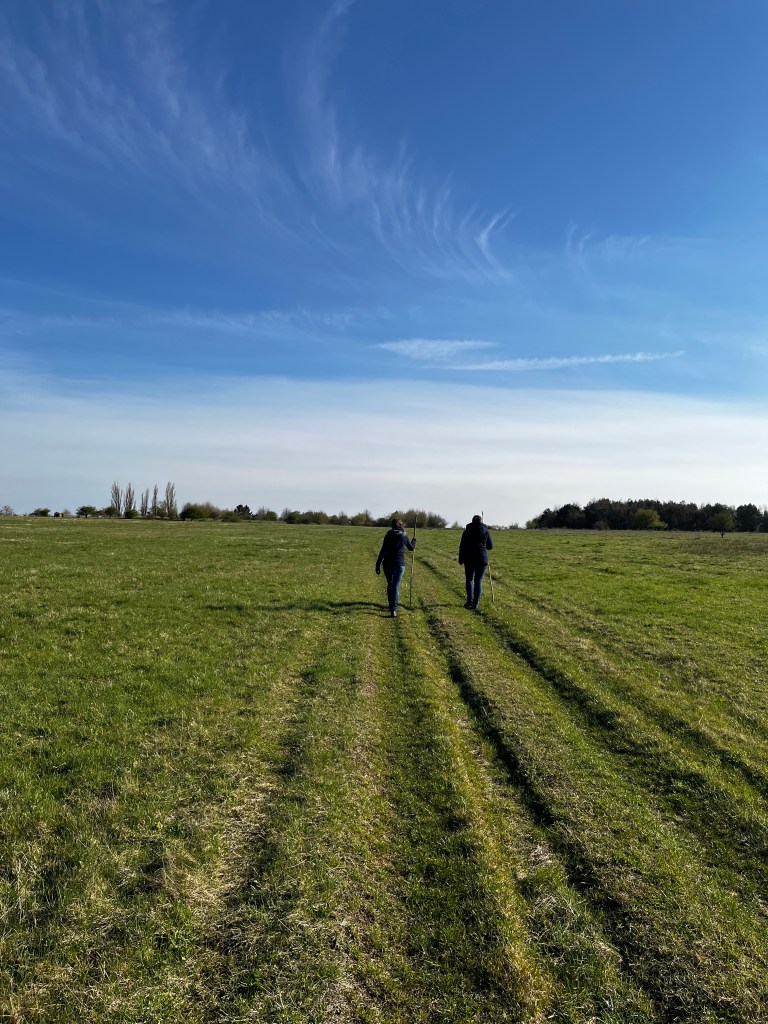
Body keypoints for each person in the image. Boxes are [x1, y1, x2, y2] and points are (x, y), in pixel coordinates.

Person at [376, 517, 416, 617]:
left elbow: (383, 550)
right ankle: (393, 609)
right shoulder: (404, 535)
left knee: (390, 584)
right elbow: (411, 548)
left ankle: (391, 605)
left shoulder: (388, 534)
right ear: (401, 525)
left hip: (387, 564)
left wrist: (378, 564)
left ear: (392, 525)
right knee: (395, 586)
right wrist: (414, 541)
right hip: (399, 564)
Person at [458, 514, 493, 609]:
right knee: (478, 580)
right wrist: (483, 545)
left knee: (469, 579)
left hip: (469, 559)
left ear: (472, 521)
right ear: (481, 521)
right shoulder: (485, 530)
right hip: (481, 558)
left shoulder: (466, 531)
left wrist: (460, 559)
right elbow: (490, 546)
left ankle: (469, 601)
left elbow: (462, 546)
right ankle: (475, 603)